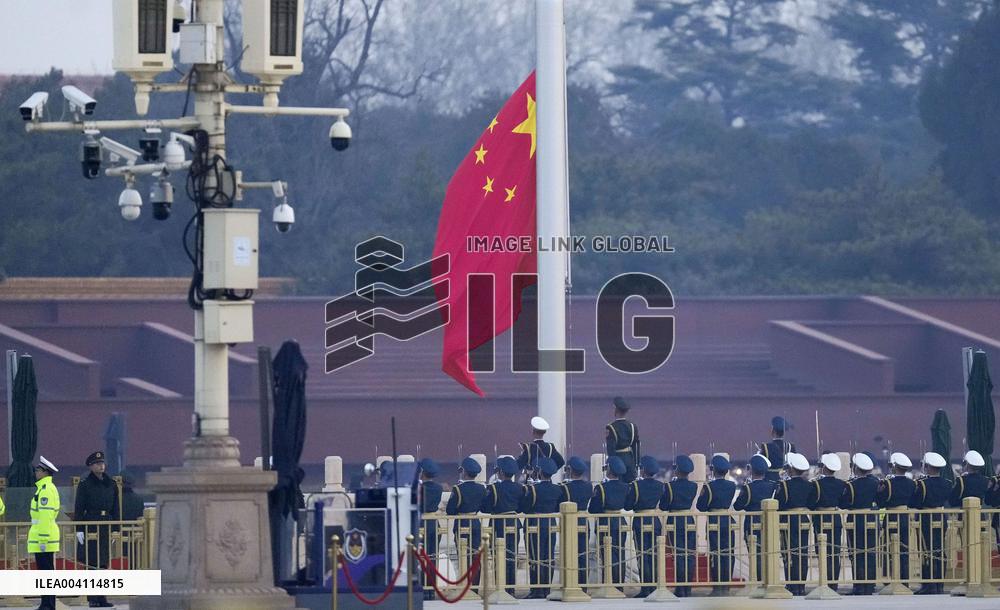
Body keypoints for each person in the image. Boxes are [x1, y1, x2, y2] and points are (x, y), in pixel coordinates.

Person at [74, 450, 119, 608]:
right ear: (91, 466)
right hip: (91, 524)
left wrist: (116, 529)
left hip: (106, 524)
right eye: (97, 464)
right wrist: (79, 528)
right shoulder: (85, 484)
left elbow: (116, 508)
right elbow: (79, 507)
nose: (101, 466)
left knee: (103, 562)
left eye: (102, 463)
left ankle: (102, 597)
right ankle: (92, 598)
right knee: (92, 563)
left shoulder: (111, 484)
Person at [910, 452, 952, 595]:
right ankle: (939, 583)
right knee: (940, 550)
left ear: (927, 467)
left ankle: (929, 584)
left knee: (926, 551)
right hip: (941, 516)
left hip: (926, 517)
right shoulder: (947, 483)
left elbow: (914, 502)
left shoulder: (922, 484)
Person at [521, 457, 562, 598]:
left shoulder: (533, 489)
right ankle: (546, 588)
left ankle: (537, 589)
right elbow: (557, 507)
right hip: (550, 522)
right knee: (548, 555)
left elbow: (525, 508)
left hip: (535, 522)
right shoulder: (557, 489)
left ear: (540, 472)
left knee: (535, 556)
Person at [484, 456, 525, 594]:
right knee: (511, 556)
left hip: (498, 523)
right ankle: (511, 588)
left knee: (498, 555)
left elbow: (485, 508)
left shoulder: (495, 488)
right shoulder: (520, 488)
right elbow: (521, 508)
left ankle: (500, 587)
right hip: (513, 522)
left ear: (501, 472)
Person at [734, 454, 777, 585]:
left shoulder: (748, 488)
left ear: (751, 470)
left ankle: (758, 581)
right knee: (768, 552)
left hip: (752, 523)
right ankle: (769, 580)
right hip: (769, 523)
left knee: (755, 553)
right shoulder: (772, 486)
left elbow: (737, 506)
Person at [626, 455, 665, 598]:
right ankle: (654, 585)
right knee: (654, 555)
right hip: (655, 520)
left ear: (643, 470)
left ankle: (645, 588)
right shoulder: (660, 485)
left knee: (642, 555)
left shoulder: (636, 486)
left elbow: (628, 505)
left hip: (640, 520)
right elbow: (664, 504)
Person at [697, 454, 736, 596]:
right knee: (729, 553)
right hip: (727, 520)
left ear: (713, 470)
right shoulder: (732, 485)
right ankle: (727, 585)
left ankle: (718, 586)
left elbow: (701, 506)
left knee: (715, 553)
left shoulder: (709, 486)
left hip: (714, 520)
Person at [840, 453, 878, 595]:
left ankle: (859, 585)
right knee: (871, 552)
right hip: (871, 519)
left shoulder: (851, 485)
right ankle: (870, 585)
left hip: (856, 519)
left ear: (856, 468)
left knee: (856, 553)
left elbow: (844, 503)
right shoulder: (876, 483)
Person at [589, 456, 628, 591]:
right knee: (620, 555)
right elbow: (627, 505)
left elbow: (593, 509)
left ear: (609, 469)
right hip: (620, 522)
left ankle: (609, 585)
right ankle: (619, 586)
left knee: (607, 555)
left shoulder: (601, 487)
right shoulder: (625, 486)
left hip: (605, 522)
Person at [660, 454, 697, 597]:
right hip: (689, 519)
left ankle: (680, 587)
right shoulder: (693, 486)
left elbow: (663, 506)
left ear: (677, 469)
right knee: (689, 555)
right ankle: (688, 587)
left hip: (675, 520)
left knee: (679, 555)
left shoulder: (670, 486)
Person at [809, 452, 846, 591]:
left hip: (821, 518)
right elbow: (843, 503)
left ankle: (824, 581)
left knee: (822, 551)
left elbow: (811, 503)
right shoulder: (841, 484)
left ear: (824, 467)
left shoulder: (817, 484)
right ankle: (833, 583)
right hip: (835, 517)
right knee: (834, 552)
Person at [445, 457, 486, 582]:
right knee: (475, 555)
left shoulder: (458, 489)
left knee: (463, 555)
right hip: (475, 522)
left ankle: (465, 584)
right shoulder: (481, 488)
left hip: (462, 522)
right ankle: (475, 584)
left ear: (464, 472)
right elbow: (483, 506)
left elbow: (450, 510)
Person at [877, 452, 915, 585]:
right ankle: (904, 581)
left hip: (892, 516)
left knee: (888, 549)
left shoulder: (888, 483)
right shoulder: (912, 483)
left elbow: (881, 502)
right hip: (905, 517)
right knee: (904, 551)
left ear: (893, 467)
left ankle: (889, 580)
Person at [776, 452, 811, 596]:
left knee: (788, 554)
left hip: (788, 520)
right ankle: (801, 585)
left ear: (791, 469)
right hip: (803, 519)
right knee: (802, 553)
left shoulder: (784, 485)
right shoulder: (809, 485)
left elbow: (779, 503)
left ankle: (792, 584)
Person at [30, 456, 60, 610]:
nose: (36, 472)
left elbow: (45, 516)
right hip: (44, 537)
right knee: (45, 573)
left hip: (44, 539)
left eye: (38, 470)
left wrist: (42, 539)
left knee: (46, 573)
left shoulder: (46, 490)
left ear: (44, 472)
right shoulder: (44, 488)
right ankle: (46, 603)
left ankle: (48, 605)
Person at [561, 456, 592, 584]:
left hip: (570, 521)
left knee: (570, 552)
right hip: (584, 520)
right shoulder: (588, 486)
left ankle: (571, 581)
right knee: (583, 553)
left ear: (569, 470)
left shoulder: (566, 487)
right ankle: (583, 583)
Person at [416, 459, 443, 600]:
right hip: (433, 524)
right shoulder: (439, 488)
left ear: (422, 473)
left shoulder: (418, 488)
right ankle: (431, 589)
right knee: (432, 558)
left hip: (421, 523)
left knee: (421, 558)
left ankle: (422, 588)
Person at [606, 397, 640, 483]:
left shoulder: (611, 427)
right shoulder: (633, 426)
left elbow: (611, 450)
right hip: (630, 461)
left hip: (618, 462)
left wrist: (612, 466)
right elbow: (636, 447)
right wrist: (636, 464)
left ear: (615, 409)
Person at [759, 416, 794, 483]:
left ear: (773, 431)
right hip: (786, 480)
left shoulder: (766, 447)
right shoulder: (790, 446)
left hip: (770, 480)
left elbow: (761, 466)